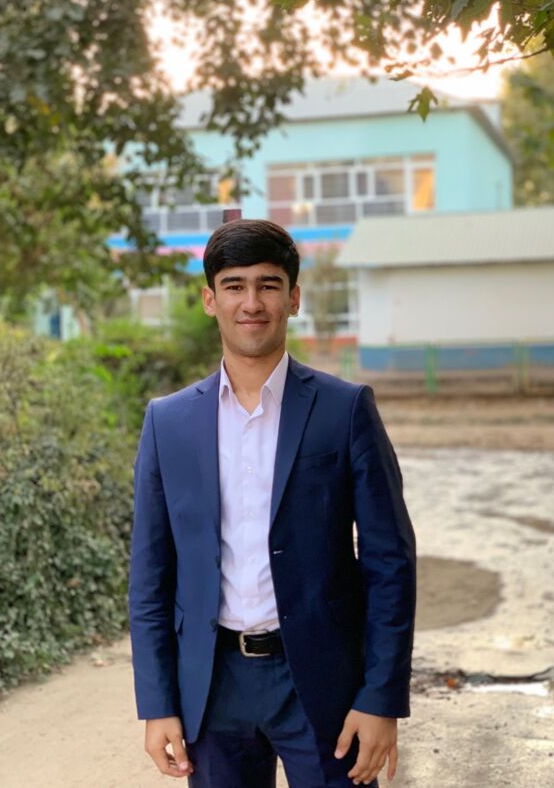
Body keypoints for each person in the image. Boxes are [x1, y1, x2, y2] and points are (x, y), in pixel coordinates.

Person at [128, 219, 416, 788]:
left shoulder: (345, 410)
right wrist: (157, 704)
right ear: (210, 300)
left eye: (268, 284)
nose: (251, 302)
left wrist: (381, 697)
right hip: (212, 688)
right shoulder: (168, 422)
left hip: (325, 683)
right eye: (234, 286)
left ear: (294, 298)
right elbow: (150, 574)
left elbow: (390, 562)